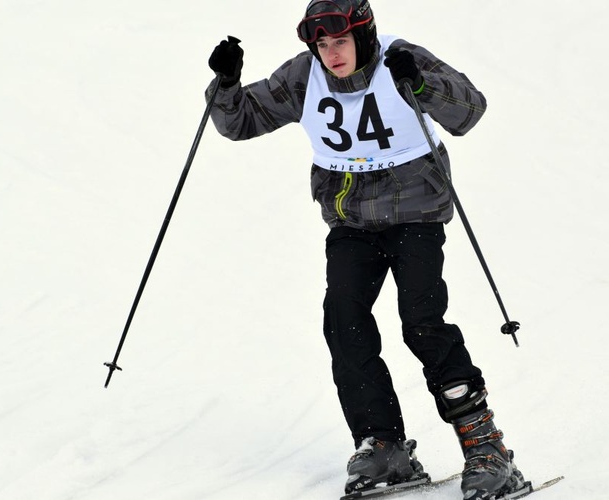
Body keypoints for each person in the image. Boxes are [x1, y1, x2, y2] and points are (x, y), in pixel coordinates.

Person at [206, 1, 527, 499]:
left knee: (422, 321)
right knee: (344, 321)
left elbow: (470, 110)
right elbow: (241, 122)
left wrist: (420, 84)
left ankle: (486, 448)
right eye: (322, 44)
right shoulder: (303, 75)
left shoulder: (399, 58)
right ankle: (383, 445)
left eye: (340, 41)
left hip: (416, 211)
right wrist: (226, 86)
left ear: (364, 35)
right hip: (351, 218)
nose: (331, 53)